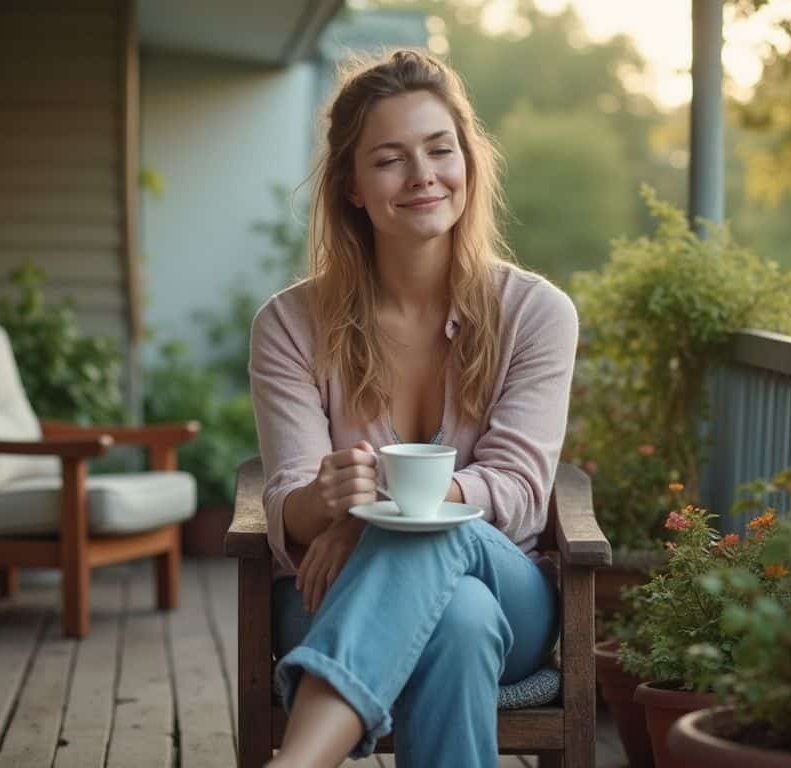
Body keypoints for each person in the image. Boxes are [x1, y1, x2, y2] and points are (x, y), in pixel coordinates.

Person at [248, 49, 579, 767]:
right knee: (458, 620)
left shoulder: (537, 313)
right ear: (353, 187)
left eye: (440, 149)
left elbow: (521, 496)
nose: (424, 175)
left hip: (507, 581)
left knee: (440, 540)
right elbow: (290, 508)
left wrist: (371, 518)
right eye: (391, 159)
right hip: (331, 592)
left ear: (467, 161)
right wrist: (324, 502)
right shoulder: (290, 324)